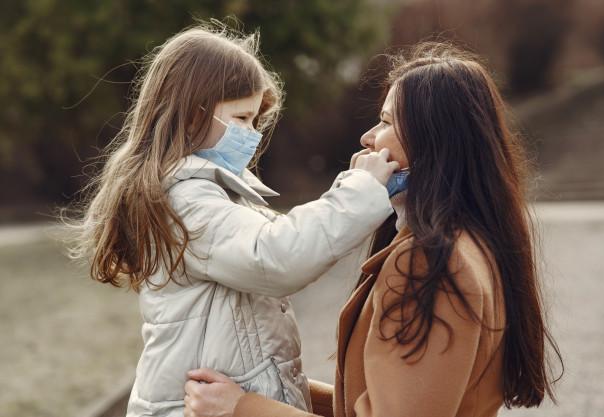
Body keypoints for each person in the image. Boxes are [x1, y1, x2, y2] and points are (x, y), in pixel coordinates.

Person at [182, 42, 563, 417]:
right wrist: (265, 390)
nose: (367, 138)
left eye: (385, 121)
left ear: (433, 138)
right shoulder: (473, 243)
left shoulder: (431, 262)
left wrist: (243, 408)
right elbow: (388, 401)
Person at [65, 23, 400, 417]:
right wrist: (361, 189)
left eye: (255, 120)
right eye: (240, 118)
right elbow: (275, 255)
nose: (251, 134)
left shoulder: (216, 192)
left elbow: (276, 237)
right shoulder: (184, 198)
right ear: (191, 116)